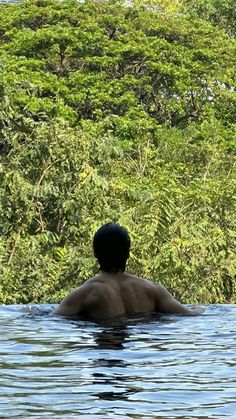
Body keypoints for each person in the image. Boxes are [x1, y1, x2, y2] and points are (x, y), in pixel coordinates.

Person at [53, 223, 204, 319]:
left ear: (95, 253)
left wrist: (29, 313)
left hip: (104, 346)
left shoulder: (85, 293)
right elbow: (189, 314)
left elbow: (53, 320)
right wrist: (199, 308)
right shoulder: (153, 290)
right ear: (128, 252)